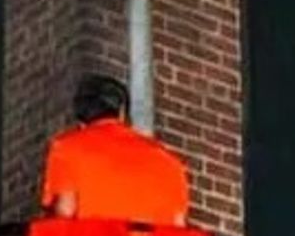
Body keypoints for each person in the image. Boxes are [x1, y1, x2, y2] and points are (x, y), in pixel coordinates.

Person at [41, 74, 190, 226]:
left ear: (81, 122)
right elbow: (179, 229)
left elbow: (64, 213)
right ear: (122, 113)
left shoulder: (67, 147)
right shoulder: (170, 162)